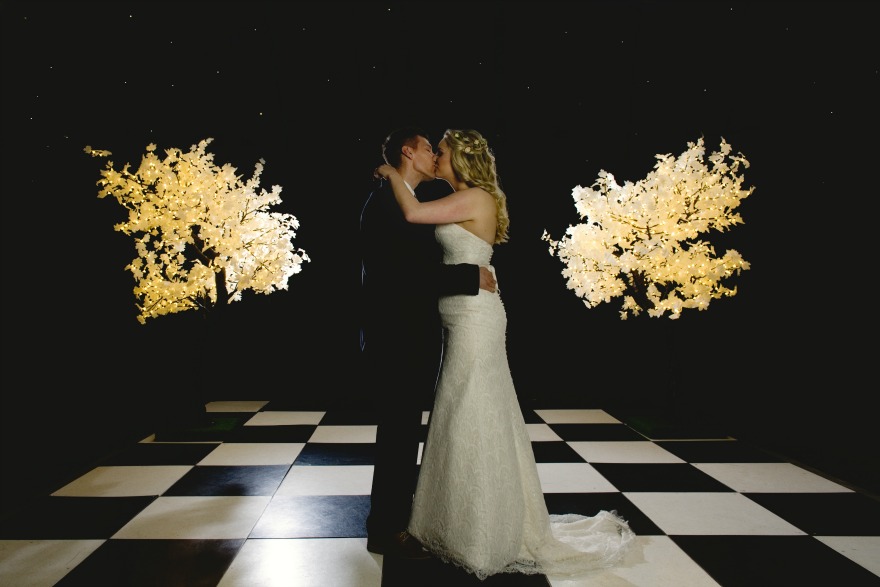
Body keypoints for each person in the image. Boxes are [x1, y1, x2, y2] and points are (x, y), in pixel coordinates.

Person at [375, 129, 635, 580]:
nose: (436, 156)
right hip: (460, 316)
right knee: (460, 411)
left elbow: (414, 213)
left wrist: (386, 173)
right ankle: (454, 520)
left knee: (473, 410)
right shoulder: (461, 196)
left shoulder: (477, 197)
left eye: (442, 151)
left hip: (476, 319)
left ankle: (482, 530)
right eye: (431, 149)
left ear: (459, 157)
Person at [359, 126, 497, 559]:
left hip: (414, 335)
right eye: (428, 149)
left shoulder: (406, 200)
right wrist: (467, 276)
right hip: (396, 338)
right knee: (399, 433)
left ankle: (402, 519)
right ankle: (385, 528)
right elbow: (397, 277)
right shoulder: (388, 202)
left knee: (404, 431)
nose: (434, 156)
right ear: (408, 152)